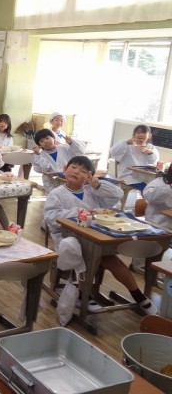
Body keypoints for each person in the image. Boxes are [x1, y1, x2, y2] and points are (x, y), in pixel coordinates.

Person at [44, 156, 158, 315]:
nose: (77, 172)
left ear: (89, 177)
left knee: (110, 258)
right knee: (92, 255)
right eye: (74, 167)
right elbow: (50, 218)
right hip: (68, 240)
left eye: (84, 171)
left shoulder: (92, 191)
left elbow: (117, 195)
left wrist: (98, 185)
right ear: (65, 169)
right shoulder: (56, 194)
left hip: (95, 237)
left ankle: (138, 295)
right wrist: (79, 212)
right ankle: (83, 295)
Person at [32, 128, 86, 194]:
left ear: (53, 138)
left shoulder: (65, 148)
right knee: (54, 197)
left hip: (66, 180)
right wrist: (37, 155)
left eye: (47, 138)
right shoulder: (40, 155)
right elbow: (39, 169)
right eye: (41, 141)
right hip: (51, 183)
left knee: (68, 196)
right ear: (39, 145)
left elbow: (80, 152)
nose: (45, 142)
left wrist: (72, 143)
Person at [110, 124, 159, 191]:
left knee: (156, 188)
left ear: (149, 136)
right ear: (133, 135)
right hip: (129, 176)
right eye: (138, 133)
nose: (141, 135)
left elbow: (154, 162)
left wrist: (150, 153)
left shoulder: (150, 147)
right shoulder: (127, 145)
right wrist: (127, 142)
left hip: (145, 177)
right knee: (146, 189)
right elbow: (113, 152)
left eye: (144, 132)